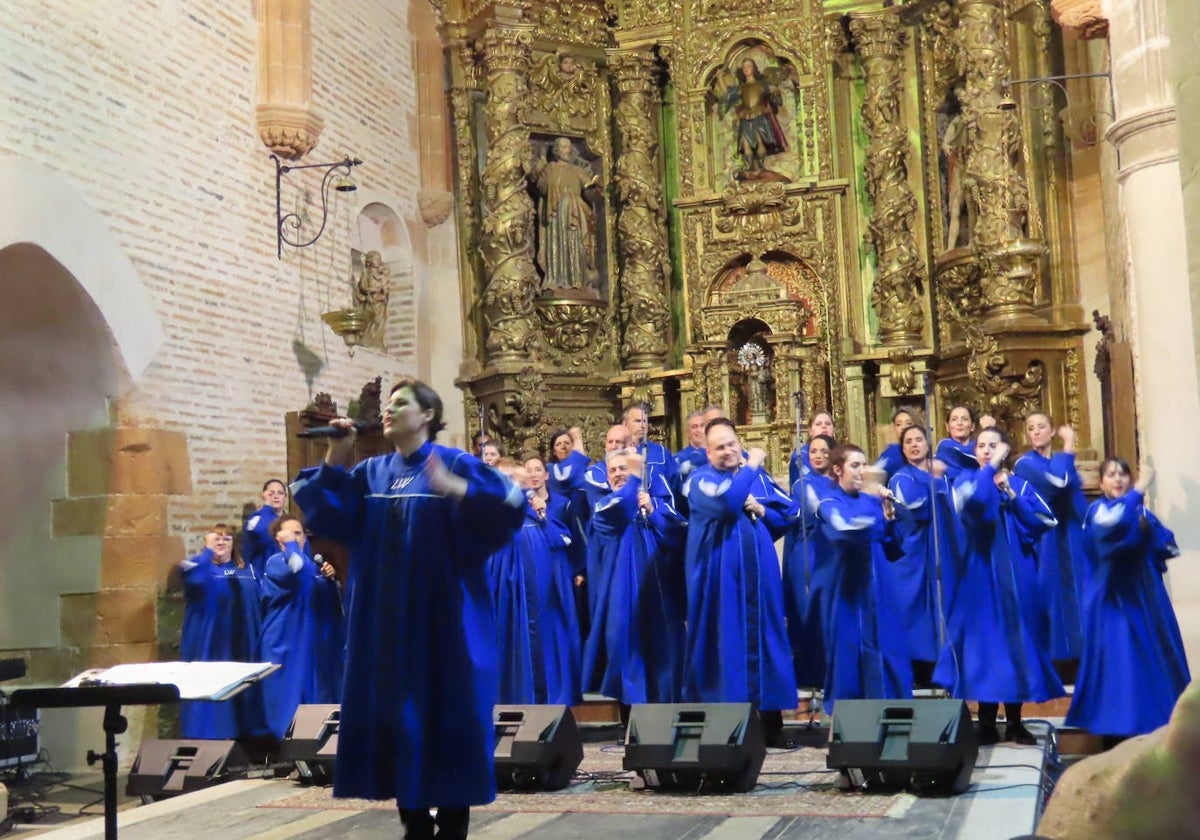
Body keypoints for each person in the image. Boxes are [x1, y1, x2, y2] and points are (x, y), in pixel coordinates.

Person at [291, 377, 525, 840]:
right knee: (398, 713)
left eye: (402, 403)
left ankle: (455, 816)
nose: (389, 410)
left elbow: (511, 506)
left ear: (428, 417)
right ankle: (413, 817)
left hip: (446, 617)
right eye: (389, 404)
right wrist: (338, 454)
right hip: (386, 622)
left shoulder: (454, 462)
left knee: (449, 708)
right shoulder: (373, 471)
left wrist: (456, 488)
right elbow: (328, 512)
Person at [934, 429, 1064, 746]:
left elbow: (1045, 522)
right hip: (979, 578)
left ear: (1005, 450)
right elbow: (971, 506)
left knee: (1016, 645)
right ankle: (987, 722)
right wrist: (990, 472)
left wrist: (1013, 497)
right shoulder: (966, 483)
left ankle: (1016, 721)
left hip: (1018, 579)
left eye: (993, 446)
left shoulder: (1019, 484)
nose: (986, 450)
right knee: (986, 648)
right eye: (981, 446)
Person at [682, 418, 798, 747]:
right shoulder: (699, 481)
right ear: (707, 452)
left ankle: (772, 725)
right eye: (720, 447)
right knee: (727, 644)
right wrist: (754, 466)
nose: (729, 451)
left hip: (760, 576)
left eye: (732, 444)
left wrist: (762, 509)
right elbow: (727, 504)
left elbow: (790, 514)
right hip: (721, 581)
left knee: (768, 640)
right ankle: (728, 726)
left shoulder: (753, 479)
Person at [1065, 460, 1191, 739]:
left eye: (1123, 474)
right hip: (1113, 600)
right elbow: (1111, 527)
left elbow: (1166, 545)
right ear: (1101, 484)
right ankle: (1115, 732)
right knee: (1120, 661)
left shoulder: (1138, 510)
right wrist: (1141, 487)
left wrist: (1147, 529)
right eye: (1111, 475)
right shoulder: (1098, 511)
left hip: (1145, 598)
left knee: (1151, 659)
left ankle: (1154, 728)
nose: (1118, 479)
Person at [582, 449, 686, 721]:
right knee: (626, 652)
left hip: (659, 591)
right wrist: (634, 478)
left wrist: (653, 511)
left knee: (664, 652)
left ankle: (667, 720)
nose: (618, 473)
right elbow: (619, 506)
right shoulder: (605, 506)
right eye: (613, 470)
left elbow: (677, 534)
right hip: (621, 595)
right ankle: (632, 728)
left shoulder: (652, 503)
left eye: (623, 468)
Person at [815, 444, 912, 713]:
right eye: (855, 466)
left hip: (878, 591)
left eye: (863, 464)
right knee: (849, 655)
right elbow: (846, 530)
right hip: (847, 593)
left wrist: (888, 512)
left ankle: (891, 715)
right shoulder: (828, 501)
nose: (862, 471)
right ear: (837, 470)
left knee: (887, 651)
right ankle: (848, 723)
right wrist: (875, 513)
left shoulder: (871, 501)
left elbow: (892, 547)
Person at [487, 459, 581, 706]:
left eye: (517, 479)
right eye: (506, 479)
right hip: (503, 598)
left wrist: (543, 516)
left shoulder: (536, 516)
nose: (513, 485)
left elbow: (561, 541)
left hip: (539, 599)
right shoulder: (490, 517)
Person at [178, 524, 269, 741]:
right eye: (215, 539)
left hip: (244, 645)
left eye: (226, 538)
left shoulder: (249, 570)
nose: (221, 542)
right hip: (210, 646)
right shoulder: (200, 569)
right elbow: (190, 578)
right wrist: (207, 553)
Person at [887, 426, 963, 685]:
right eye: (908, 442)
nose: (914, 445)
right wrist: (936, 481)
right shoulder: (900, 478)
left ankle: (943, 668)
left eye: (919, 440)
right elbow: (916, 507)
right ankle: (918, 670)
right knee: (913, 613)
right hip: (913, 556)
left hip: (942, 552)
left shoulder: (943, 475)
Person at [1013, 414, 1090, 666]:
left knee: (1078, 592)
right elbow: (1060, 482)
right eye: (1030, 428)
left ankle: (1081, 656)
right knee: (1050, 594)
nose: (1035, 432)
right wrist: (1068, 446)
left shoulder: (1057, 460)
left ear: (1052, 430)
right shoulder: (1025, 463)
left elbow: (1073, 491)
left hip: (1072, 533)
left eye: (1041, 427)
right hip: (1047, 536)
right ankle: (1054, 660)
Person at [259, 516, 344, 739]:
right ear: (278, 539)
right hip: (286, 643)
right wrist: (290, 546)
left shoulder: (313, 566)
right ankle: (284, 745)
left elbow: (330, 602)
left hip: (311, 644)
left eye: (299, 533)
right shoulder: (277, 562)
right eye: (289, 533)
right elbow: (296, 568)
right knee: (288, 698)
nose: (295, 537)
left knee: (316, 697)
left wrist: (331, 579)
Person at [782, 433, 837, 690]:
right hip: (809, 552)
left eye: (824, 451)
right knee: (810, 613)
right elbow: (818, 510)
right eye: (813, 451)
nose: (818, 456)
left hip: (833, 551)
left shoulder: (839, 481)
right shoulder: (802, 484)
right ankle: (812, 675)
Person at [531, 136, 599, 291]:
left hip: (575, 213)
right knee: (558, 245)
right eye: (563, 147)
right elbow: (542, 188)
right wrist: (542, 165)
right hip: (556, 215)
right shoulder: (550, 168)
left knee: (576, 245)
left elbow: (588, 191)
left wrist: (594, 187)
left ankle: (577, 280)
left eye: (569, 147)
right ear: (555, 151)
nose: (567, 150)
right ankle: (558, 278)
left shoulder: (577, 170)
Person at [717, 57, 789, 179]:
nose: (746, 69)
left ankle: (760, 167)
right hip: (746, 115)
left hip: (760, 115)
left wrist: (775, 91)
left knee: (759, 140)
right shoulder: (741, 87)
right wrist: (719, 78)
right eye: (744, 67)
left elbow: (776, 99)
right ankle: (749, 167)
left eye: (749, 66)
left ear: (754, 68)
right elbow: (728, 94)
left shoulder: (762, 85)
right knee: (746, 143)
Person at [623, 404, 680, 500]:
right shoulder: (618, 452)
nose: (642, 425)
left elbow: (676, 484)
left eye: (644, 421)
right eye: (637, 421)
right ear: (625, 424)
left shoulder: (660, 453)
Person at [935, 405, 993, 482]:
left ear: (972, 426)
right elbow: (970, 454)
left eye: (965, 419)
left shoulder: (980, 445)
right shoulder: (944, 446)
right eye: (954, 419)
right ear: (947, 427)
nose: (959, 423)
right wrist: (987, 431)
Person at [243, 479, 287, 579]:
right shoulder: (255, 519)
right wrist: (267, 507)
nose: (276, 496)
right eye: (271, 493)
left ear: (285, 497)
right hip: (262, 577)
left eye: (280, 493)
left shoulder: (291, 523)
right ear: (264, 496)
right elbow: (265, 534)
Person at [789, 411, 836, 490]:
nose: (824, 426)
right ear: (810, 431)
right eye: (818, 424)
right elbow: (810, 481)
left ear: (833, 429)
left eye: (828, 424)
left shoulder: (841, 452)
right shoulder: (800, 455)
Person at [874, 407, 918, 481]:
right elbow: (873, 477)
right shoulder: (891, 453)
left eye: (908, 423)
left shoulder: (923, 451)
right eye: (898, 424)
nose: (903, 427)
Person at [674, 410, 709, 478]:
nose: (699, 430)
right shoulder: (679, 458)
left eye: (702, 425)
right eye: (694, 427)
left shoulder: (716, 453)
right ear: (687, 433)